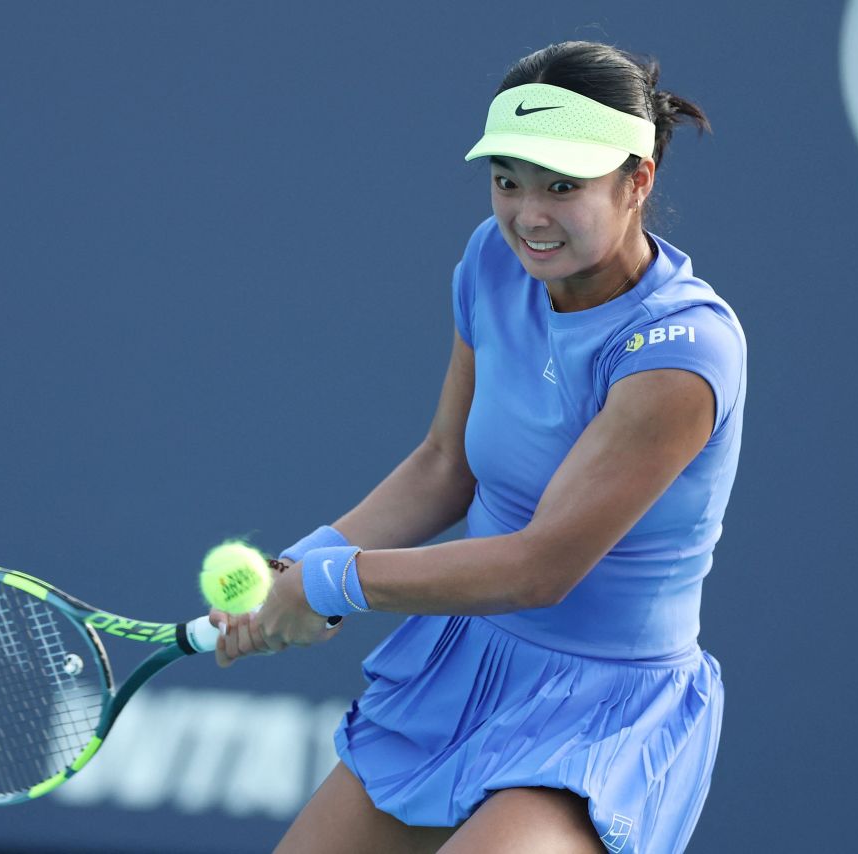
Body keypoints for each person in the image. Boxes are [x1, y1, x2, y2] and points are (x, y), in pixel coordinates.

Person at [210, 40, 746, 854]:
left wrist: (330, 581)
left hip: (605, 710)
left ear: (637, 180)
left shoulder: (682, 353)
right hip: (467, 663)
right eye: (508, 180)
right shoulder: (492, 263)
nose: (529, 214)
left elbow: (540, 568)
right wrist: (294, 566)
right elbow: (443, 466)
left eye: (563, 186)